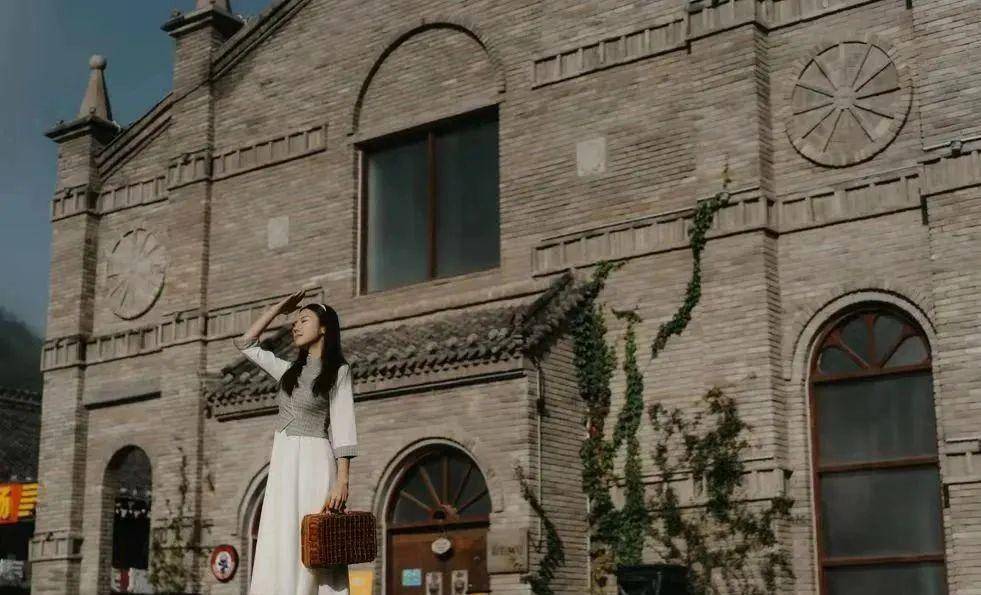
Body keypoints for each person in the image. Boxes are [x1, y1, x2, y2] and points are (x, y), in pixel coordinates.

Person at [234, 290, 358, 595]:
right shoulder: (289, 371)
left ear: (324, 327)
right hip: (284, 461)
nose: (296, 325)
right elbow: (246, 343)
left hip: (316, 462)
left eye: (304, 320)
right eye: (295, 321)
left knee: (315, 539)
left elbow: (343, 426)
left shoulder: (338, 371)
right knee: (281, 533)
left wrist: (342, 481)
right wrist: (278, 309)